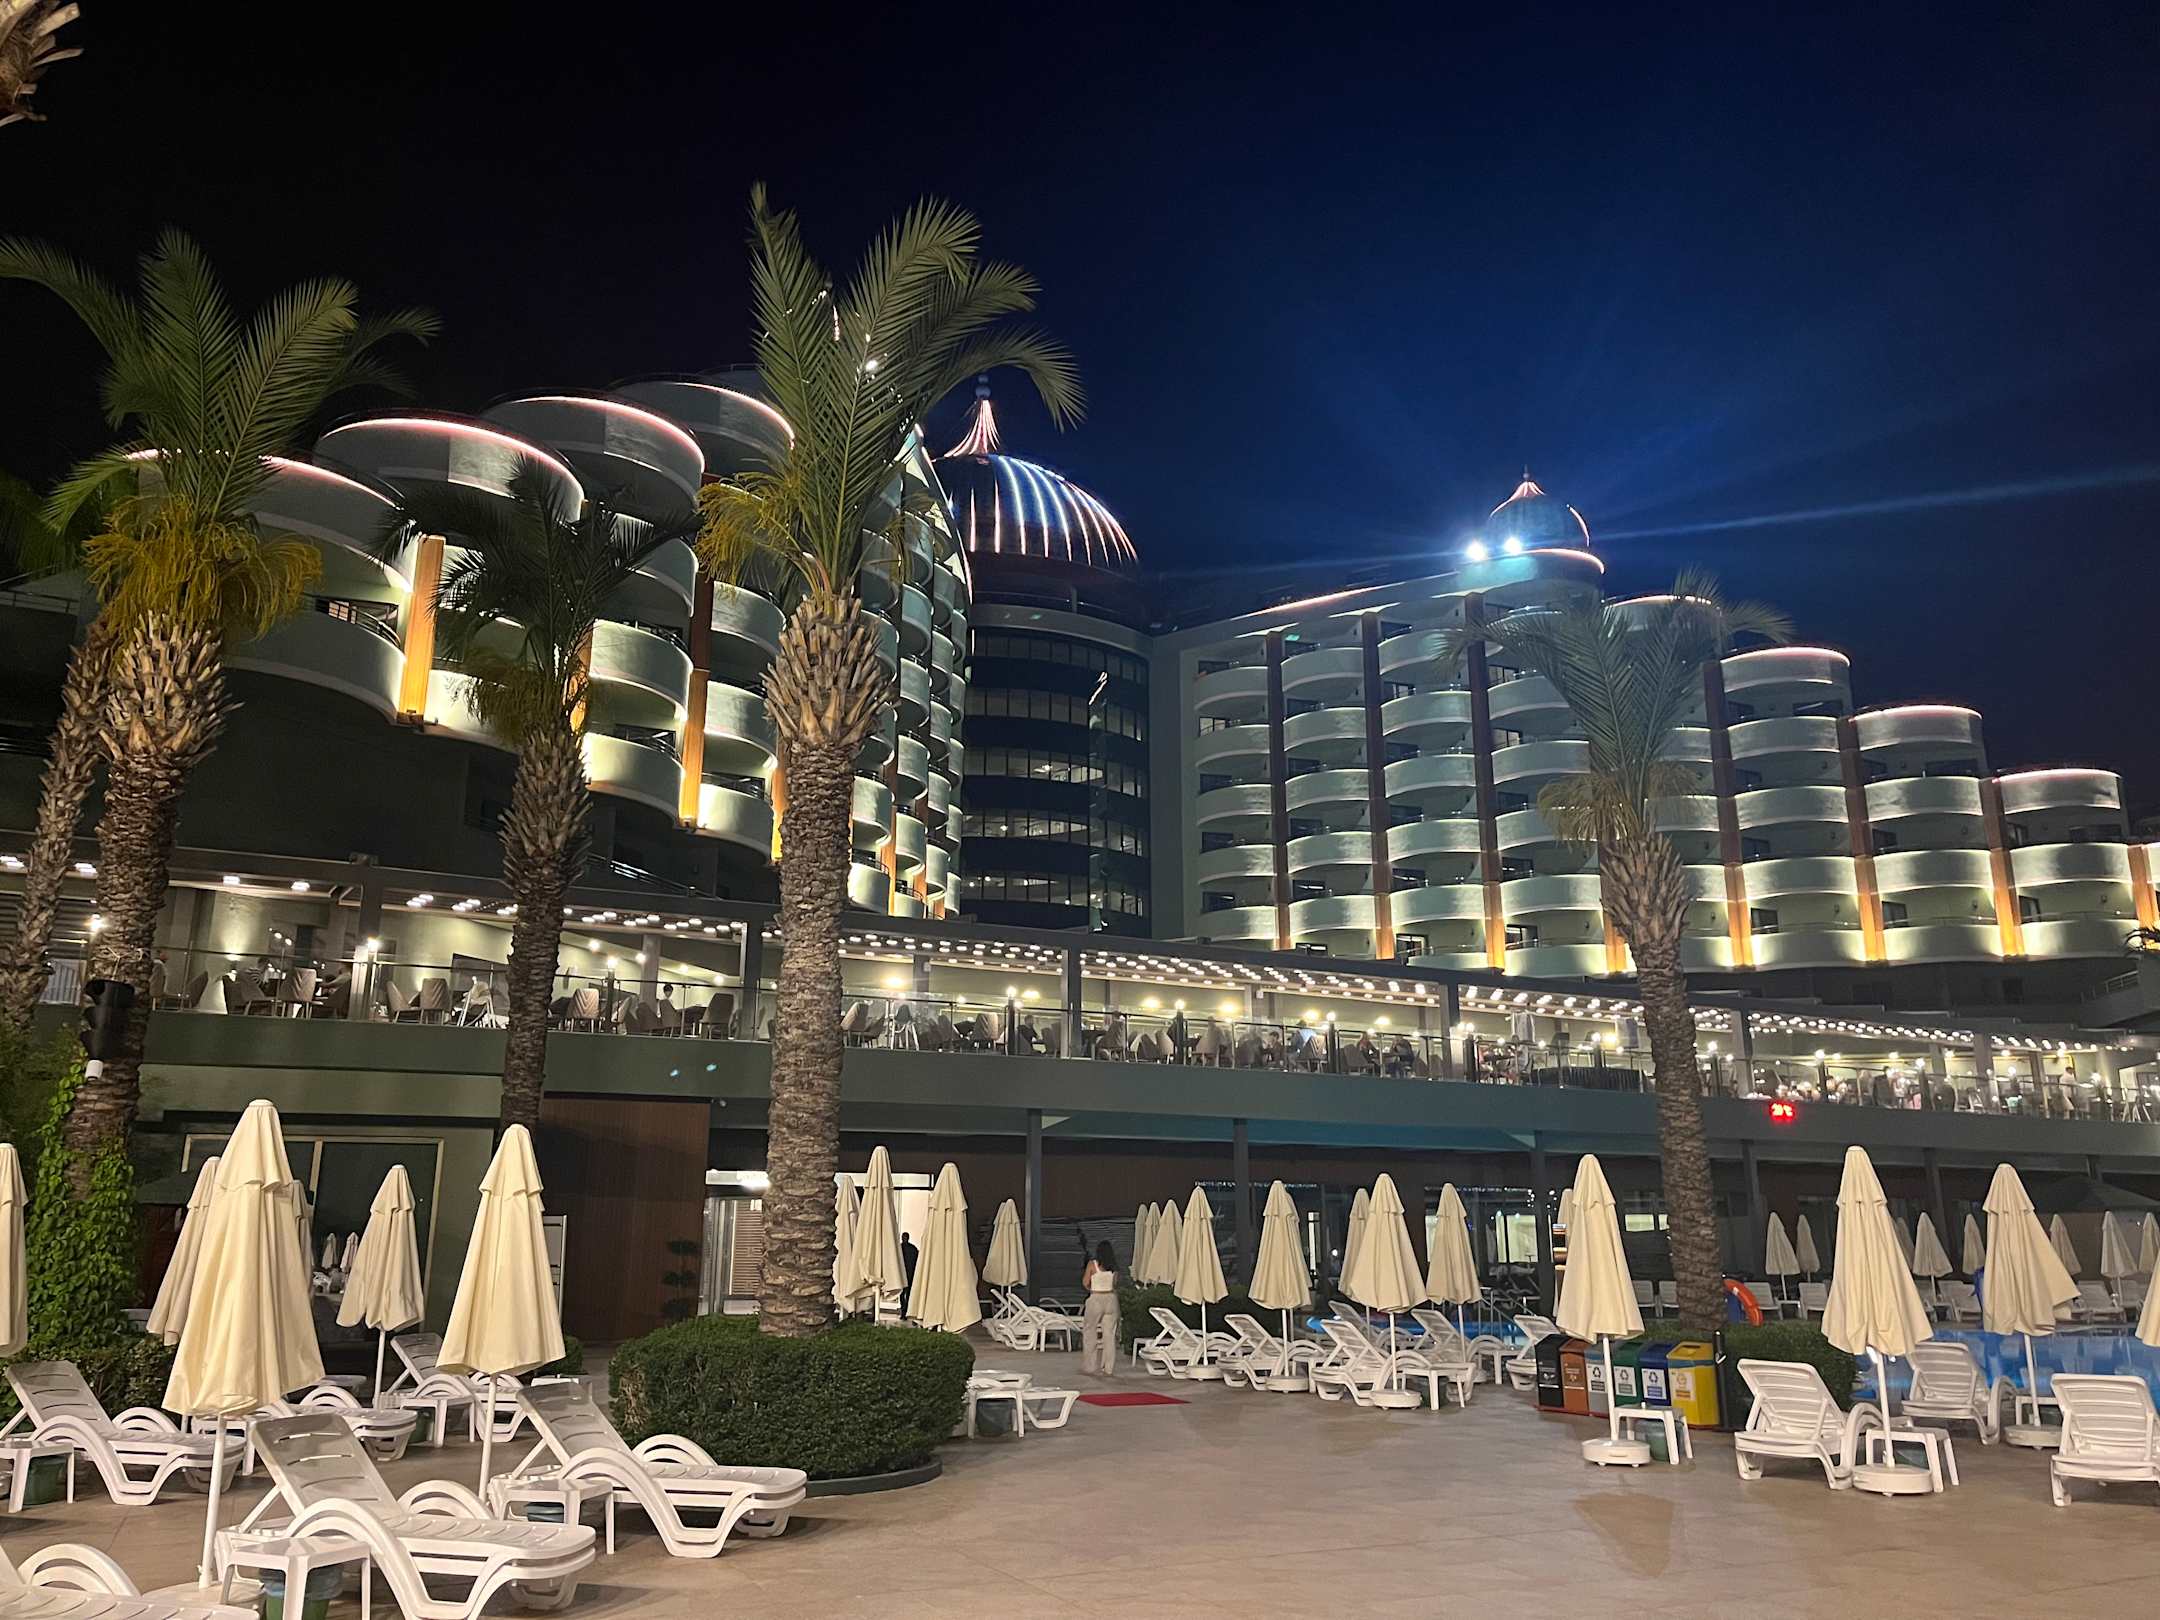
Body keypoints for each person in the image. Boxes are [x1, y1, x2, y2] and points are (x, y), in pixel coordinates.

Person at [1080, 1240, 1120, 1376]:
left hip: (1096, 1298)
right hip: (1111, 1299)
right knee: (1109, 1335)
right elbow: (1114, 1284)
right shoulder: (1114, 1268)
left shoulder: (1093, 1264)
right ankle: (1108, 1368)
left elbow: (1085, 1282)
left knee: (1090, 1332)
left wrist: (1092, 1288)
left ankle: (1090, 1366)